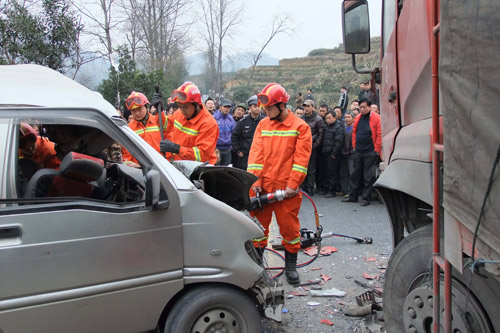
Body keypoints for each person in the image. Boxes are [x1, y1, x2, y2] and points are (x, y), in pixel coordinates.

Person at [247, 83, 312, 285]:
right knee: (257, 230)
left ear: (282, 105)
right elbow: (256, 156)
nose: (265, 112)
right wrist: (255, 182)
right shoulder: (263, 125)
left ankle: (290, 267)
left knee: (290, 231)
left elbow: (301, 162)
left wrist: (293, 185)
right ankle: (257, 267)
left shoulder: (301, 127)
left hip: (286, 191)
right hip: (264, 188)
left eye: (269, 108)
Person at [159, 82, 219, 164]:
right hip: (181, 164)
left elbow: (201, 155)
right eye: (180, 107)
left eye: (185, 107)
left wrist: (177, 149)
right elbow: (166, 125)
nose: (182, 110)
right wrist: (158, 112)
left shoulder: (209, 124)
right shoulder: (179, 113)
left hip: (199, 170)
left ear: (196, 104)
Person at [342, 98, 381, 206]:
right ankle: (352, 196)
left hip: (370, 152)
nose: (362, 109)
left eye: (364, 107)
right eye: (361, 107)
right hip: (358, 151)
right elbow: (354, 133)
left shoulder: (376, 118)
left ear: (369, 107)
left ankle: (366, 198)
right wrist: (354, 146)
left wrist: (376, 150)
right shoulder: (358, 117)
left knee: (368, 177)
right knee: (355, 174)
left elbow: (379, 134)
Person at [122, 91, 167, 167]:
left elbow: (168, 137)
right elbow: (126, 155)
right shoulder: (129, 129)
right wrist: (129, 164)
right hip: (139, 171)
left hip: (161, 167)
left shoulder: (158, 121)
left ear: (146, 107)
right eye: (133, 110)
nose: (137, 113)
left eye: (139, 109)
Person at [231, 95, 263, 170]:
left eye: (259, 106)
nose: (257, 108)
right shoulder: (242, 122)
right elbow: (234, 137)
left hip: (259, 156)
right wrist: (238, 151)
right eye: (255, 106)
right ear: (250, 108)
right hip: (244, 157)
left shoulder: (264, 122)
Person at [300, 99, 324, 196]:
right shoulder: (301, 118)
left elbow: (321, 135)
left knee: (311, 169)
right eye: (305, 106)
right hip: (302, 148)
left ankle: (310, 188)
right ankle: (302, 187)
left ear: (313, 107)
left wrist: (314, 146)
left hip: (312, 148)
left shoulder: (318, 119)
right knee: (302, 168)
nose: (306, 108)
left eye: (308, 106)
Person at [321, 111, 344, 198]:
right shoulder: (326, 126)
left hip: (333, 154)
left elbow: (339, 142)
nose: (327, 120)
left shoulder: (338, 127)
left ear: (335, 118)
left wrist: (334, 153)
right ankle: (326, 189)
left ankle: (331, 190)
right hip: (325, 152)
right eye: (326, 118)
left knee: (332, 173)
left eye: (329, 118)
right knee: (326, 172)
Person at [213, 99, 236, 165]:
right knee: (216, 169)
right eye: (225, 107)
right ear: (220, 107)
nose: (226, 109)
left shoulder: (231, 119)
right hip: (217, 149)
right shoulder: (214, 118)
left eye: (228, 107)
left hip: (228, 150)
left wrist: (231, 147)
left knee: (226, 170)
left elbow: (233, 133)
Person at [340, 111, 355, 196]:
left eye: (349, 117)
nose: (347, 119)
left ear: (353, 118)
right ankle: (344, 190)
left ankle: (351, 192)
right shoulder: (343, 127)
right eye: (345, 117)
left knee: (351, 173)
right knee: (343, 173)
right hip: (343, 153)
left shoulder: (355, 128)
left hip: (352, 153)